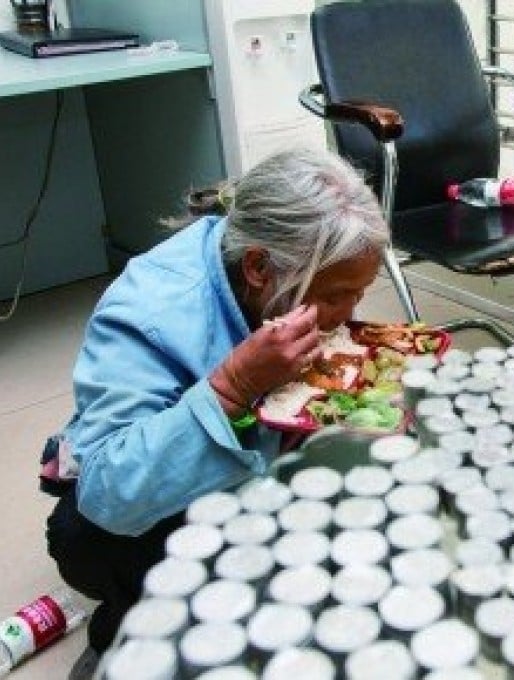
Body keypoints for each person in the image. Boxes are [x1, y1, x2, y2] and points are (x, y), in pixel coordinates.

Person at [44, 147, 389, 678]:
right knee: (84, 538)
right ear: (257, 267)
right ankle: (124, 631)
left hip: (262, 473)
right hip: (138, 503)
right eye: (338, 296)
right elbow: (108, 491)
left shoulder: (283, 279)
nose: (349, 316)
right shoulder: (150, 309)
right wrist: (235, 385)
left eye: (359, 295)